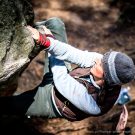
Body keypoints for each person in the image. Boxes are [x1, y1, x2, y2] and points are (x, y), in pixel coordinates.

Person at [0, 17, 135, 129]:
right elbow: (71, 54)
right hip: (64, 76)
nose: (98, 60)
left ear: (106, 78)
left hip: (50, 102)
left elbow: (61, 79)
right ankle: (22, 28)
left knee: (8, 104)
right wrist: (46, 40)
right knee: (55, 24)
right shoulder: (101, 61)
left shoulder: (95, 105)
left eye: (101, 64)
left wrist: (47, 41)